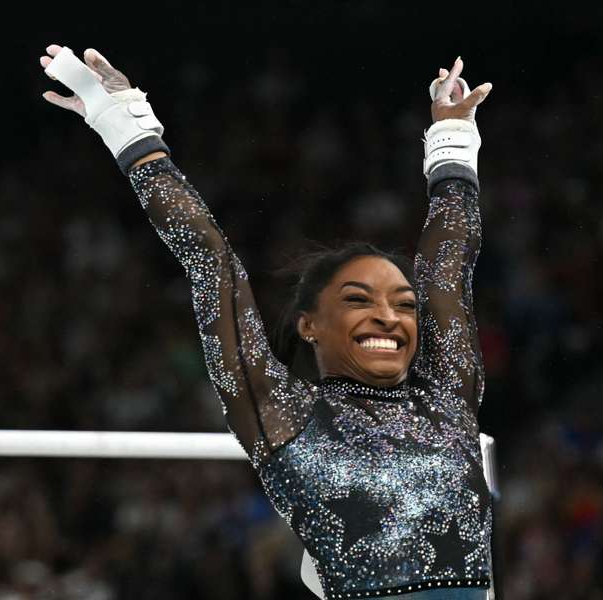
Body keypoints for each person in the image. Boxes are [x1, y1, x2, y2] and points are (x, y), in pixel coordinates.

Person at [39, 44, 494, 599]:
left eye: (404, 303)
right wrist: (125, 123)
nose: (388, 316)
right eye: (358, 300)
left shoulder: (448, 394)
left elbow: (448, 266)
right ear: (308, 325)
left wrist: (452, 140)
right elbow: (211, 259)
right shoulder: (280, 413)